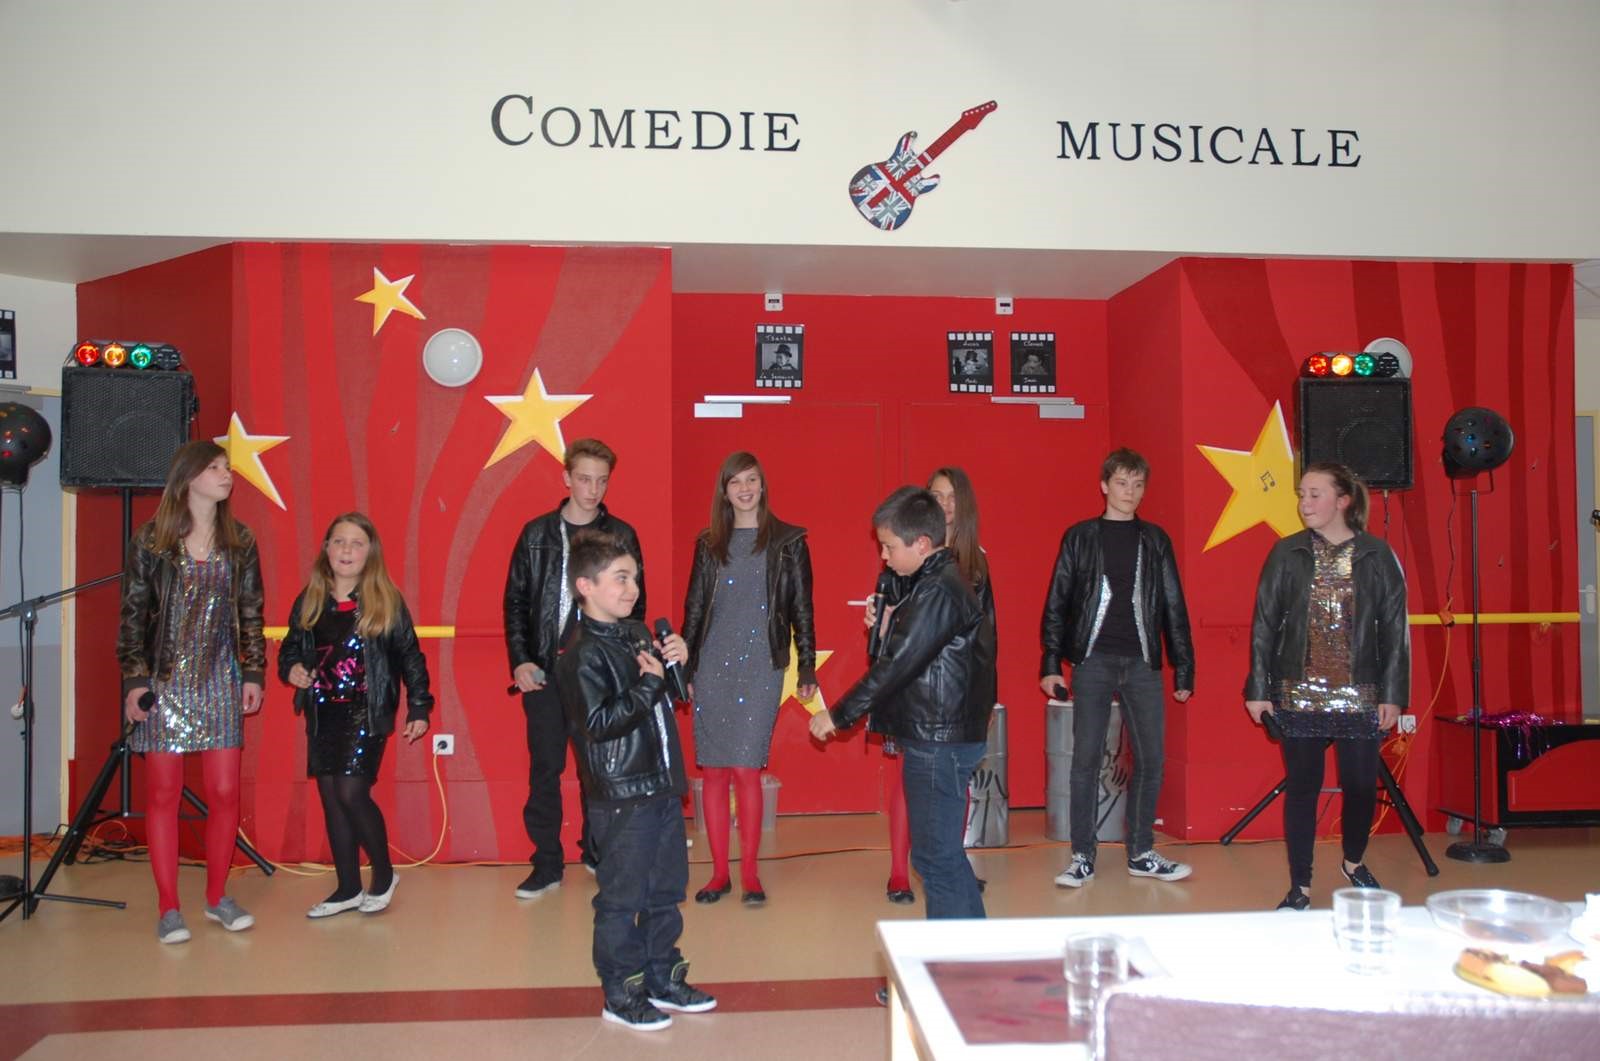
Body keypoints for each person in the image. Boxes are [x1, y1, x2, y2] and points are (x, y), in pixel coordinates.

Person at [557, 531, 717, 1031]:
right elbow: (600, 723)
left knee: (665, 890)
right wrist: (649, 685)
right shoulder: (581, 655)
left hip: (661, 785)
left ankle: (661, 976)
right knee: (621, 899)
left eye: (634, 578)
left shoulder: (636, 634)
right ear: (586, 586)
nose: (632, 589)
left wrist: (676, 665)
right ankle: (620, 991)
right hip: (623, 795)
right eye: (620, 579)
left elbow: (673, 697)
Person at [812, 487, 994, 921]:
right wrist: (885, 625)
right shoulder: (932, 585)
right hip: (939, 736)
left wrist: (838, 714)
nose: (884, 556)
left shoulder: (939, 591)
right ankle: (974, 952)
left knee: (935, 859)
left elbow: (895, 667)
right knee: (944, 856)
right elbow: (900, 655)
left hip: (938, 741)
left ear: (922, 544)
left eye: (889, 547)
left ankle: (948, 960)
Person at [117, 440, 265, 944]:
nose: (226, 475)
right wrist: (135, 680)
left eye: (227, 467)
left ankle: (218, 897)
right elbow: (133, 616)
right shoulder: (151, 541)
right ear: (188, 478)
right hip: (164, 681)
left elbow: (251, 611)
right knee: (163, 794)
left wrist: (253, 672)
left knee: (224, 792)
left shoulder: (240, 540)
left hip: (220, 678)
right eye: (215, 467)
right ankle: (168, 907)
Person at [1244, 463, 1408, 911]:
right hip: (1298, 692)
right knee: (1302, 788)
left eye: (1315, 494)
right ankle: (1300, 886)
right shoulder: (1286, 552)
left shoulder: (1377, 555)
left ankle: (1353, 861)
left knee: (1360, 786)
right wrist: (1258, 689)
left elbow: (1396, 629)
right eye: (1302, 494)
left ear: (1343, 501)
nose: (1305, 503)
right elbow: (1264, 624)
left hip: (1361, 693)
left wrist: (1393, 694)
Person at [1040, 448, 1195, 888]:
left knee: (1152, 759)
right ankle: (1081, 856)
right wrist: (1050, 663)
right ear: (1105, 486)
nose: (1131, 492)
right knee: (1085, 760)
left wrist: (1184, 667)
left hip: (1143, 664)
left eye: (1138, 484)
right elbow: (1057, 602)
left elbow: (1173, 605)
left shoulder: (1156, 540)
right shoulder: (1080, 537)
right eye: (1123, 483)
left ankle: (1141, 852)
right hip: (1093, 661)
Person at [504, 438, 645, 898]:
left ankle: (597, 852)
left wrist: (625, 664)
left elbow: (634, 604)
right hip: (545, 673)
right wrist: (521, 659)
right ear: (566, 478)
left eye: (602, 481)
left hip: (597, 675)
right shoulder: (535, 534)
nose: (592, 489)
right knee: (545, 770)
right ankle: (546, 864)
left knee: (599, 769)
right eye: (584, 479)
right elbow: (515, 602)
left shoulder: (621, 535)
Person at [279, 513, 433, 918]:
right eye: (339, 541)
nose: (346, 550)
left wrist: (419, 705)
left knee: (351, 792)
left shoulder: (385, 600)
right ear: (326, 549)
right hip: (322, 711)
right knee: (331, 798)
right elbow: (290, 648)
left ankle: (384, 875)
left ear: (370, 553)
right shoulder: (310, 599)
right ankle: (347, 887)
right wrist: (291, 669)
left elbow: (410, 655)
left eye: (356, 543)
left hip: (366, 711)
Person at [681, 452, 815, 906]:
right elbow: (694, 608)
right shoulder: (708, 544)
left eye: (751, 480)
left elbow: (802, 608)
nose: (744, 489)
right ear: (724, 491)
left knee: (745, 768)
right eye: (735, 482)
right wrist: (686, 668)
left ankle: (751, 875)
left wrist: (807, 665)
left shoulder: (789, 542)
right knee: (715, 771)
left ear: (762, 485)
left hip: (762, 666)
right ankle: (719, 874)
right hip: (711, 665)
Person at [868, 467, 996, 905]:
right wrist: (883, 624)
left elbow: (984, 640)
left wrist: (984, 702)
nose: (944, 505)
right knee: (916, 788)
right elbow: (896, 644)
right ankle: (901, 871)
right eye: (936, 496)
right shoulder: (904, 559)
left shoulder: (971, 564)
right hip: (916, 702)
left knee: (945, 803)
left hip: (950, 708)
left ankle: (949, 868)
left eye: (952, 497)